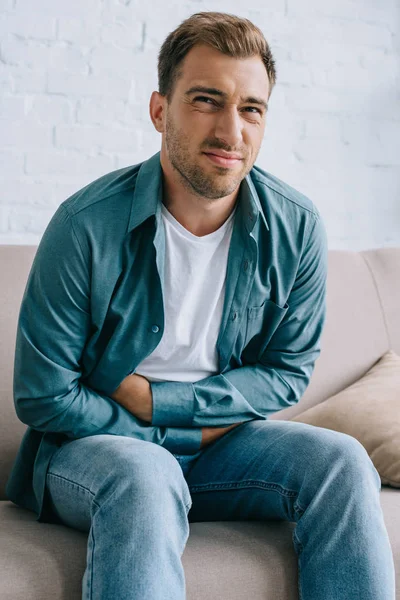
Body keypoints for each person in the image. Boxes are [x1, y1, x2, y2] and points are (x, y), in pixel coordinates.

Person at [6, 11, 395, 600]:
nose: (231, 130)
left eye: (251, 109)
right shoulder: (85, 225)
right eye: (207, 100)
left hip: (226, 449)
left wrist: (158, 400)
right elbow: (43, 394)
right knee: (147, 472)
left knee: (342, 460)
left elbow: (286, 374)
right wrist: (165, 441)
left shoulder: (296, 227)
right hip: (93, 455)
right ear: (160, 110)